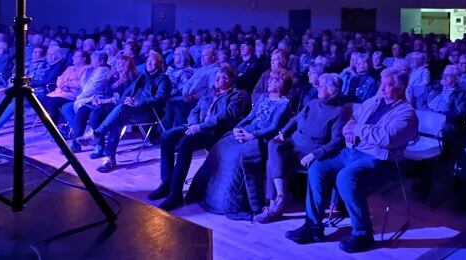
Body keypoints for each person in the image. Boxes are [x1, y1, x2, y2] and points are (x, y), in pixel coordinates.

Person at [285, 68, 418, 253]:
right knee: (318, 167)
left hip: (380, 159)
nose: (383, 87)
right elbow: (355, 114)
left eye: (389, 85)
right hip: (352, 151)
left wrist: (357, 129)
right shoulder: (375, 101)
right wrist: (349, 123)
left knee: (346, 177)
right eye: (382, 82)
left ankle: (363, 234)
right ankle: (313, 226)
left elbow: (388, 138)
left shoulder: (407, 113)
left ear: (401, 88)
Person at [187, 69, 293, 220]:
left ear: (280, 83)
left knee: (236, 157)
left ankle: (231, 203)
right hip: (246, 131)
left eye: (272, 80)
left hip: (261, 137)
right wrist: (237, 128)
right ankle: (201, 192)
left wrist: (252, 135)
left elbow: (274, 127)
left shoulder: (284, 103)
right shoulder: (263, 97)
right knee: (220, 147)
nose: (268, 82)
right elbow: (250, 116)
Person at [148, 66, 249, 210]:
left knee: (185, 143)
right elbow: (195, 110)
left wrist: (201, 127)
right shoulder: (209, 92)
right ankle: (166, 183)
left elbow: (225, 117)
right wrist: (194, 124)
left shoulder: (237, 95)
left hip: (214, 131)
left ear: (231, 80)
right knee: (167, 137)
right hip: (195, 126)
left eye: (223, 77)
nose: (218, 80)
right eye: (218, 77)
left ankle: (176, 193)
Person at [256, 73, 348, 223]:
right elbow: (295, 119)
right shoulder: (312, 103)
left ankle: (274, 207)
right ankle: (281, 195)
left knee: (270, 163)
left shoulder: (338, 113)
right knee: (273, 143)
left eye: (322, 85)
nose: (318, 87)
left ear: (332, 91)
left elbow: (337, 142)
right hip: (294, 144)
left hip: (310, 151)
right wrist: (282, 133)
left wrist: (315, 154)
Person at [88, 52, 171, 172]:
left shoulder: (163, 79)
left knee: (121, 110)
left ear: (159, 64)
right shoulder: (142, 77)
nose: (149, 63)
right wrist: (126, 100)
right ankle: (109, 158)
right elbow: (127, 92)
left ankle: (97, 134)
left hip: (149, 112)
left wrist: (138, 101)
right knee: (117, 120)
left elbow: (161, 97)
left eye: (153, 61)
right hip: (133, 110)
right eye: (148, 61)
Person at [163, 46, 218, 130]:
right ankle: (166, 131)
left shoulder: (215, 70)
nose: (202, 58)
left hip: (200, 99)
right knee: (170, 101)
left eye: (205, 56)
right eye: (201, 56)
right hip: (188, 96)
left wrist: (194, 96)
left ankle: (177, 132)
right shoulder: (201, 69)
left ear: (213, 57)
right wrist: (185, 93)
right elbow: (188, 84)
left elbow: (211, 90)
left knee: (176, 104)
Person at [43, 50, 89, 125]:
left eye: (76, 56)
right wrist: (61, 85)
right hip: (61, 91)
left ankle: (53, 126)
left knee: (53, 103)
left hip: (72, 94)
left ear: (84, 59)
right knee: (44, 100)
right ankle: (55, 124)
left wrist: (66, 84)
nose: (73, 58)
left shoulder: (87, 69)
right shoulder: (70, 68)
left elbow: (79, 84)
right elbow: (59, 79)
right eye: (73, 56)